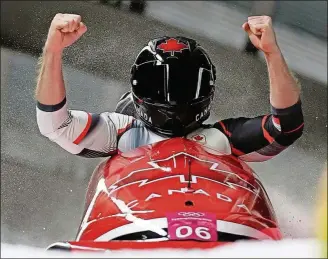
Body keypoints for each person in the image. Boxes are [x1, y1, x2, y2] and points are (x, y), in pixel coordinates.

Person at [35, 14, 304, 161]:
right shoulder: (122, 132)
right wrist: (52, 50)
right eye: (158, 88)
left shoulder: (221, 139)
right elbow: (55, 125)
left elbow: (287, 125)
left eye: (183, 85)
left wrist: (272, 53)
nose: (171, 101)